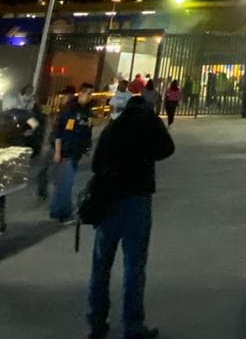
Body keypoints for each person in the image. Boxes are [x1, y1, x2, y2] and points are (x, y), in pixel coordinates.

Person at [86, 93, 175, 339]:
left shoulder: (113, 127)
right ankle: (133, 324)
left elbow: (95, 164)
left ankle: (96, 320)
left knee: (101, 263)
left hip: (108, 200)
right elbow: (168, 149)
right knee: (134, 264)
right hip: (136, 198)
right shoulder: (149, 122)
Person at [50, 85, 94, 223]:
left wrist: (87, 147)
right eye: (88, 94)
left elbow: (87, 130)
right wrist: (57, 152)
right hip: (66, 151)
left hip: (76, 151)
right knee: (65, 184)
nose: (90, 97)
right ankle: (62, 213)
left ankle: (61, 210)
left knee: (67, 183)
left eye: (91, 94)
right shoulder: (70, 110)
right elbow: (59, 132)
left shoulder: (86, 111)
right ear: (81, 93)